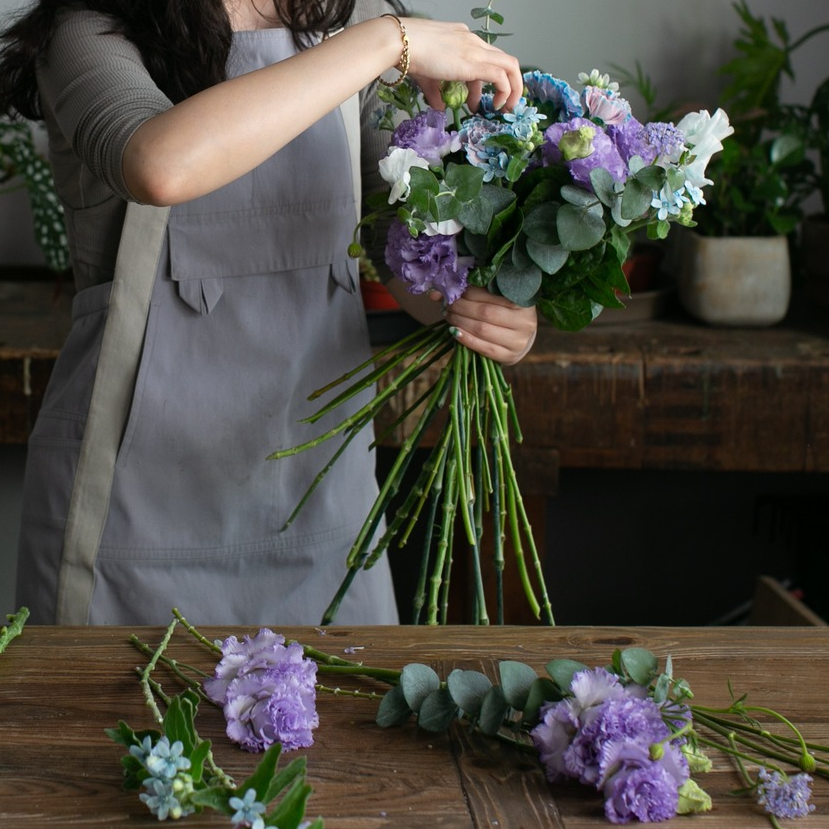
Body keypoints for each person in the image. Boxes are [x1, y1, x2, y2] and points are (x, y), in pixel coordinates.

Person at [0, 0, 537, 626]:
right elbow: (160, 165)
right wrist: (386, 43)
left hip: (320, 505)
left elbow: (399, 246)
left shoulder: (345, 24)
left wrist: (476, 307)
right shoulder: (87, 28)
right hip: (130, 521)